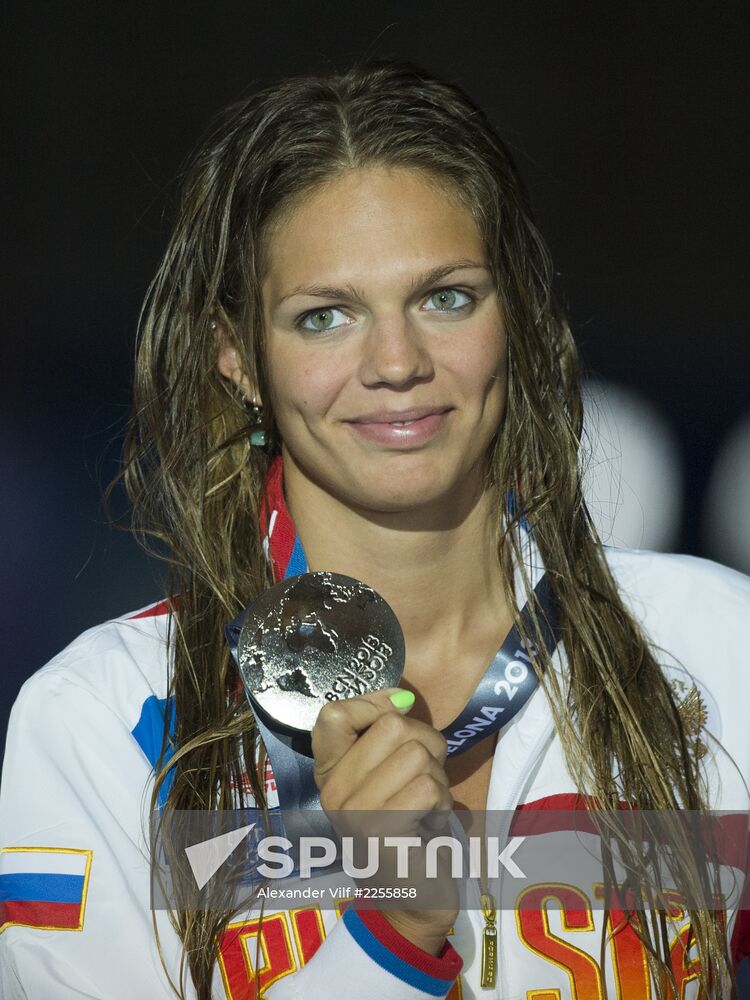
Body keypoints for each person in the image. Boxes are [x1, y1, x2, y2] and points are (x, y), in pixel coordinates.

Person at [1, 60, 749, 1000]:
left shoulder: (718, 645)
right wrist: (386, 941)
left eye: (446, 298)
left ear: (514, 310)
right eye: (325, 317)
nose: (396, 362)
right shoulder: (102, 722)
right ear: (235, 356)